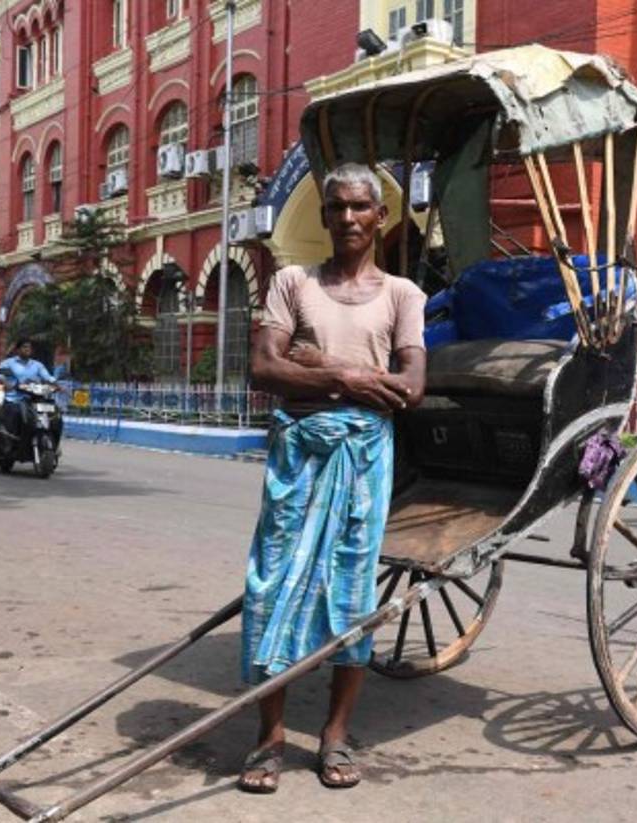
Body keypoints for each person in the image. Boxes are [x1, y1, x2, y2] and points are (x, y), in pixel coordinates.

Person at [237, 163, 426, 794]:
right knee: (271, 585)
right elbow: (264, 369)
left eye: (359, 207)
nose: (347, 217)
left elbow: (411, 387)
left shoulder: (402, 295)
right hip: (297, 454)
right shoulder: (293, 281)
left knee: (349, 591)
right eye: (336, 207)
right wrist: (347, 377)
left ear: (380, 216)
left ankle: (335, 735)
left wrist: (317, 366)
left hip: (363, 456)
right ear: (323, 216)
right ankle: (270, 737)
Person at [0, 339, 58, 439]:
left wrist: (56, 384)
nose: (28, 349)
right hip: (14, 398)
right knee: (15, 414)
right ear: (18, 350)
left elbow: (47, 377)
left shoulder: (37, 365)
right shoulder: (8, 363)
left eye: (29, 347)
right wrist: (7, 383)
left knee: (54, 413)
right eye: (24, 347)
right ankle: (12, 439)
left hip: (34, 398)